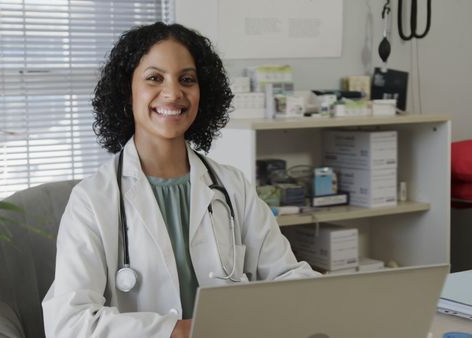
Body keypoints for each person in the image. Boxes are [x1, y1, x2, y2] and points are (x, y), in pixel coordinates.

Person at [42, 22, 319, 338]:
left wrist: (324, 296)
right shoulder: (92, 200)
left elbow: (284, 274)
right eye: (154, 78)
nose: (173, 93)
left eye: (187, 79)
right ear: (126, 91)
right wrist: (178, 331)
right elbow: (69, 323)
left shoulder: (232, 186)